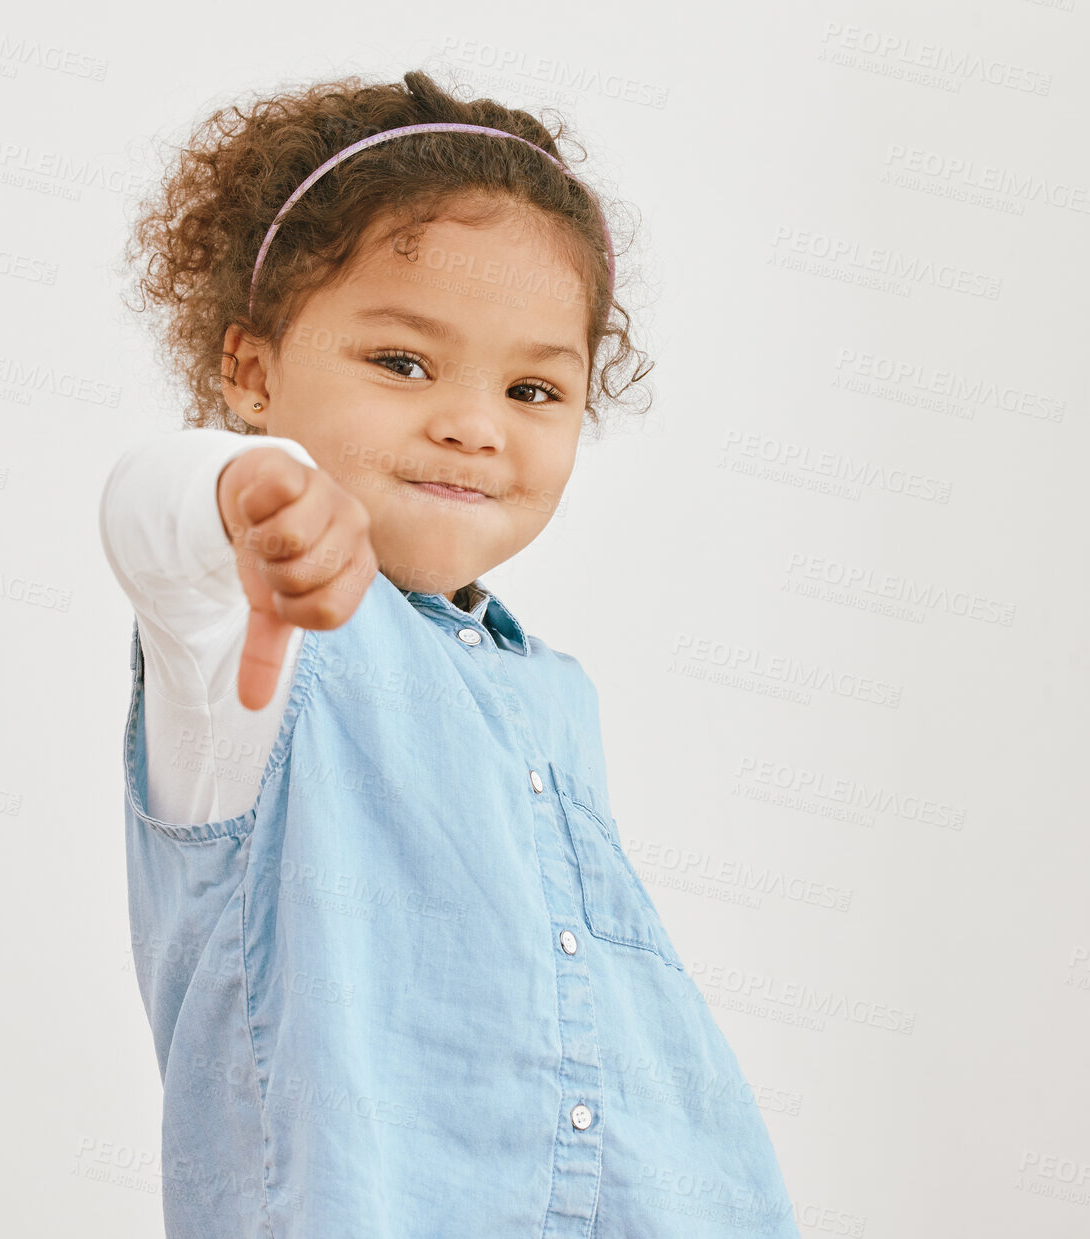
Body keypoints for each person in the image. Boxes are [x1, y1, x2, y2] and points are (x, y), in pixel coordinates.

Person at [99, 68, 802, 1238]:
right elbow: (147, 515)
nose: (473, 423)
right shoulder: (254, 634)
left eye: (533, 387)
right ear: (253, 370)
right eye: (404, 363)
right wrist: (245, 493)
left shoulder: (554, 696)